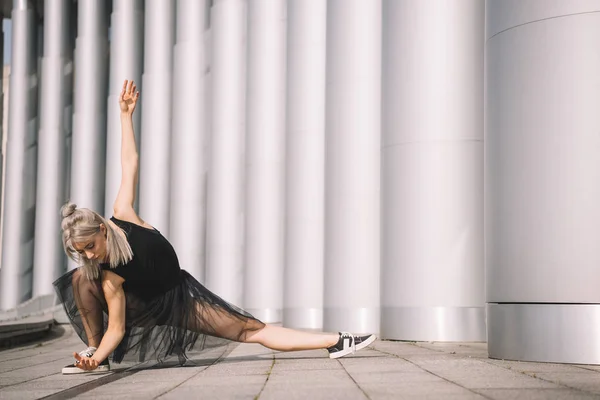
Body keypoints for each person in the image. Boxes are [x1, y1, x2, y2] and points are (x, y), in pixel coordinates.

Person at [55, 79, 376, 374]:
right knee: (82, 277)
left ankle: (337, 340)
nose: (91, 254)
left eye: (91, 246)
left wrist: (125, 117)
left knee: (247, 329)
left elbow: (130, 162)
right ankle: (95, 351)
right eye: (81, 251)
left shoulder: (122, 213)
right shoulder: (111, 276)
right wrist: (95, 361)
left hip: (176, 298)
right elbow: (118, 328)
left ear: (101, 227)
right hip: (144, 304)